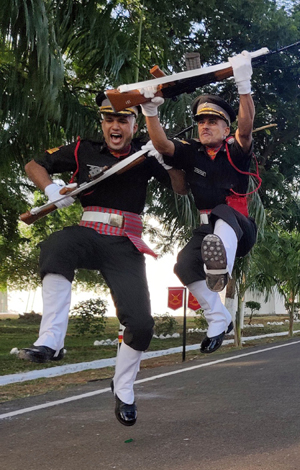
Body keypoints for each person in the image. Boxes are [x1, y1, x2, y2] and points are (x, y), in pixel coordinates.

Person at [18, 94, 188, 426]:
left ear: (134, 125)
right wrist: (52, 190)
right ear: (103, 124)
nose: (115, 126)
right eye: (110, 120)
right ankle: (51, 340)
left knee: (140, 324)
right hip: (89, 233)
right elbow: (33, 165)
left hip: (125, 243)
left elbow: (181, 188)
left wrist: (168, 160)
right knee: (56, 245)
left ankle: (123, 388)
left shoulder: (146, 150)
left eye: (123, 120)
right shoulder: (84, 149)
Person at [144, 51, 258, 355]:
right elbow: (163, 146)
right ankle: (218, 317)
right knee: (183, 265)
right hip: (208, 228)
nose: (205, 126)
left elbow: (246, 128)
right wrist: (150, 111)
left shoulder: (235, 150)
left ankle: (221, 266)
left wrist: (243, 83)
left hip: (239, 228)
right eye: (201, 121)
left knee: (223, 212)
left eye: (213, 121)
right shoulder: (190, 152)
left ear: (225, 128)